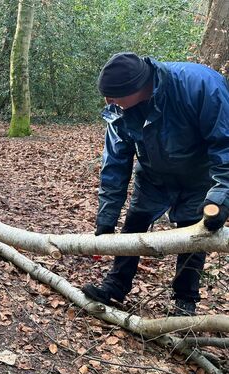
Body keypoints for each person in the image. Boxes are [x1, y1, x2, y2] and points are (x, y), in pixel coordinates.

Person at [81, 52, 229, 316]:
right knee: (134, 222)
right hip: (153, 176)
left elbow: (225, 143)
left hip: (199, 176)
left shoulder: (200, 85)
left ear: (136, 88)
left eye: (113, 94)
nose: (108, 101)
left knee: (195, 234)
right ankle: (116, 285)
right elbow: (115, 164)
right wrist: (106, 218)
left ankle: (185, 301)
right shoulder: (120, 113)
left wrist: (221, 194)